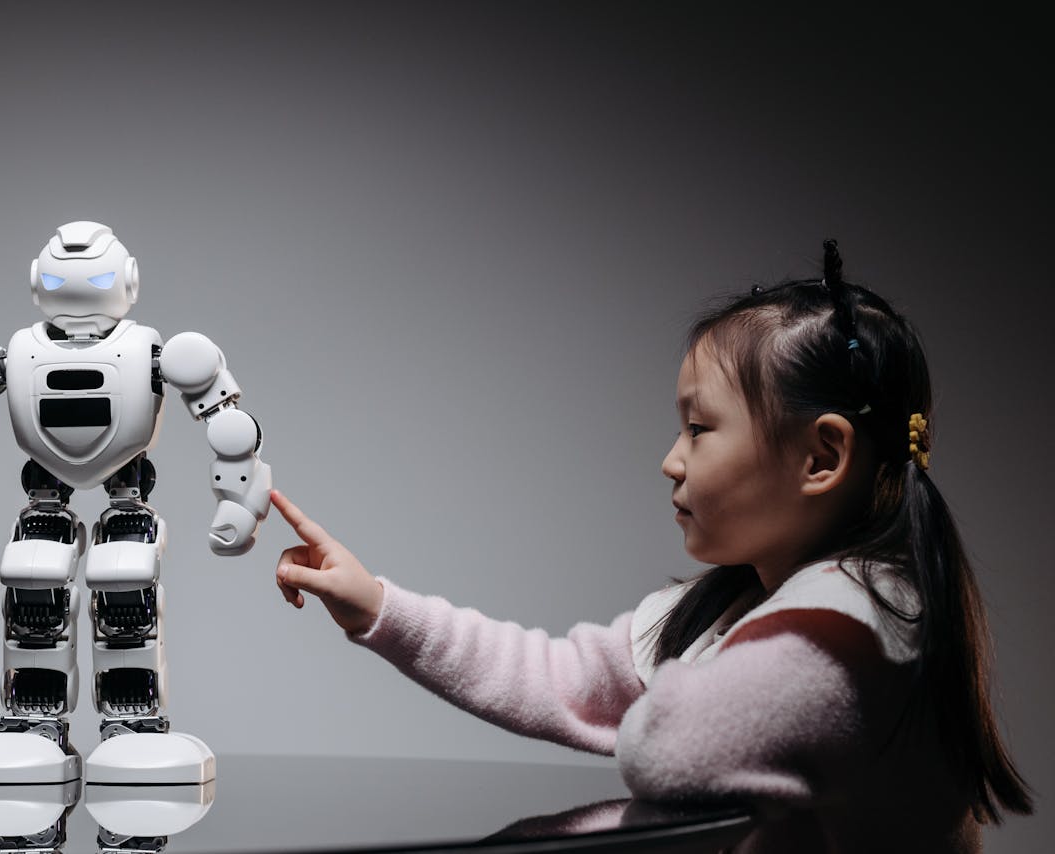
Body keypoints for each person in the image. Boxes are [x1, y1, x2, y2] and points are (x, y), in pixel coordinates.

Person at [270, 242, 1032, 852]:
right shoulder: (744, 606)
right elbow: (560, 677)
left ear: (820, 458)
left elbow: (669, 744)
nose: (671, 460)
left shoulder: (845, 633)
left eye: (699, 429)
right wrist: (378, 607)